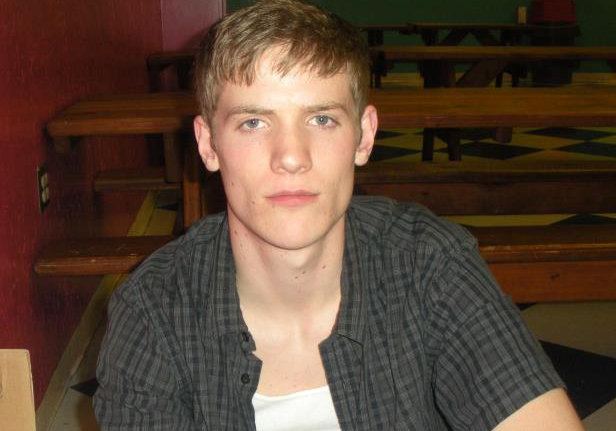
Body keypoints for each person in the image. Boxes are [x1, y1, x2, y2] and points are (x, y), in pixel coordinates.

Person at [94, 1, 586, 430]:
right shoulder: (154, 310)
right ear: (208, 144)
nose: (292, 157)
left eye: (321, 118)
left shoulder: (428, 263)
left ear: (364, 136)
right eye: (254, 121)